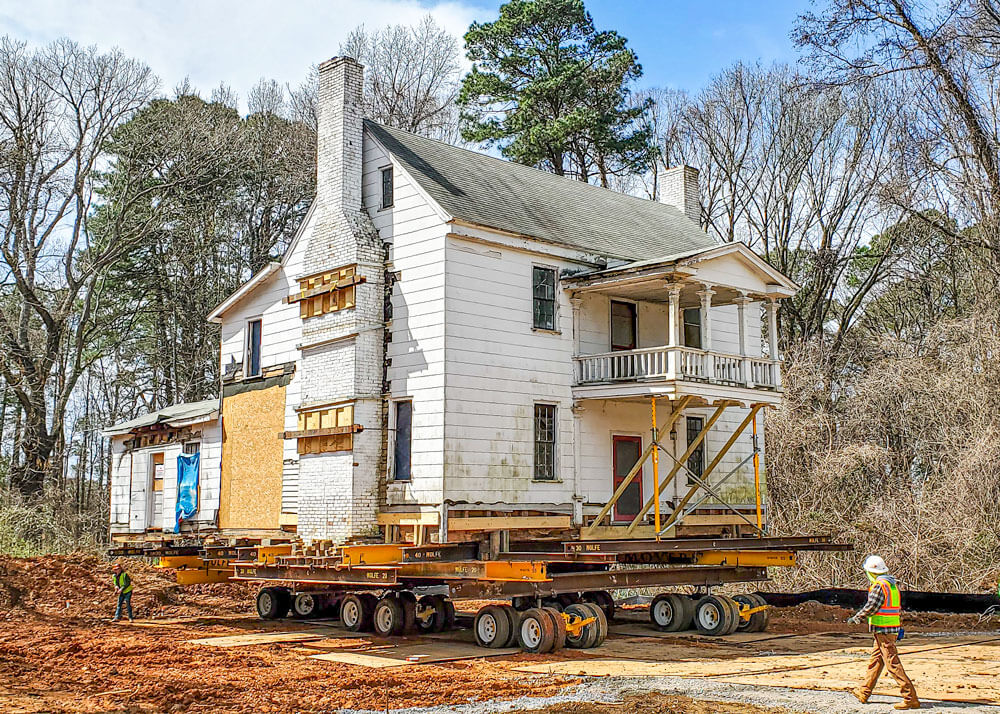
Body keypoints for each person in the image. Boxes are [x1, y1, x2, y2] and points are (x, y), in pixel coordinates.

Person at [847, 555, 920, 709]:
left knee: (892, 664)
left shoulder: (880, 586)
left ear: (871, 572)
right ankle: (864, 692)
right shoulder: (891, 585)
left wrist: (857, 617)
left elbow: (872, 606)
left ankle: (910, 697)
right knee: (876, 661)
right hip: (889, 629)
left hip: (884, 630)